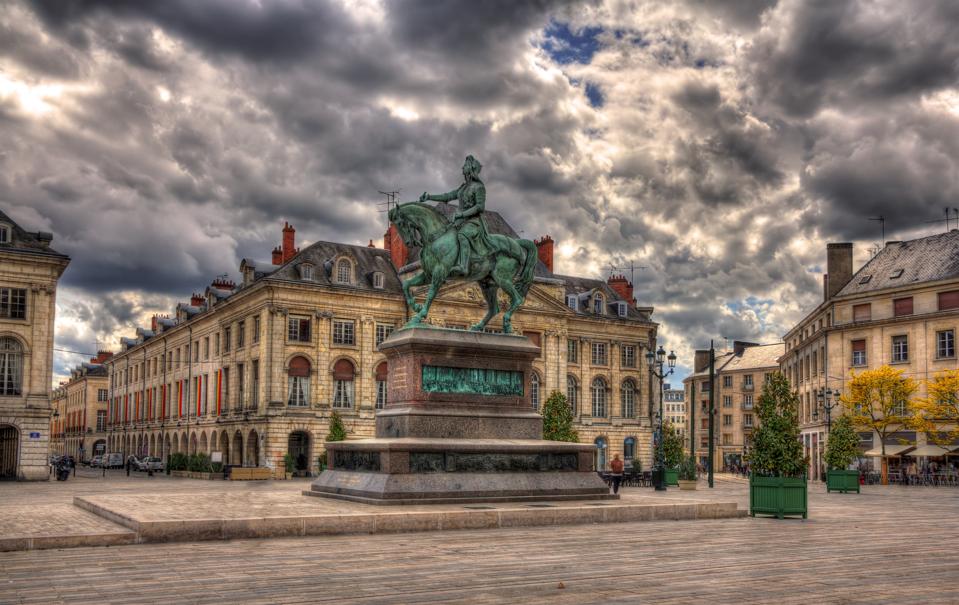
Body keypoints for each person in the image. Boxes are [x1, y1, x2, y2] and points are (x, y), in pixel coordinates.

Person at [419, 155, 493, 276]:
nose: (462, 167)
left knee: (462, 235)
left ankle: (463, 266)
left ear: (470, 169)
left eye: (465, 165)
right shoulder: (463, 187)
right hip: (461, 221)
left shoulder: (479, 187)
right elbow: (447, 196)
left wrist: (462, 214)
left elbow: (480, 207)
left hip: (474, 222)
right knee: (445, 234)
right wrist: (429, 197)